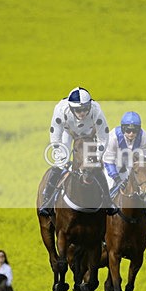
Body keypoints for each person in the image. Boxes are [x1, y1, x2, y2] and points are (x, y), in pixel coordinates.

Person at [38, 86, 118, 217]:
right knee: (59, 165)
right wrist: (60, 156)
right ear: (71, 108)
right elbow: (55, 135)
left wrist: (95, 157)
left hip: (88, 133)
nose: (82, 113)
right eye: (78, 110)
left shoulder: (96, 110)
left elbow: (103, 137)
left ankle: (108, 201)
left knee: (95, 166)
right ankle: (47, 200)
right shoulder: (60, 110)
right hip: (68, 131)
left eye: (85, 109)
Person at [102, 111, 146, 199]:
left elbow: (143, 161)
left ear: (139, 129)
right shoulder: (113, 137)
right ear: (123, 128)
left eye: (134, 130)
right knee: (109, 186)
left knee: (139, 187)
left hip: (132, 162)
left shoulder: (144, 137)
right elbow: (108, 161)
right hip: (114, 162)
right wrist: (117, 179)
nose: (131, 133)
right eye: (128, 130)